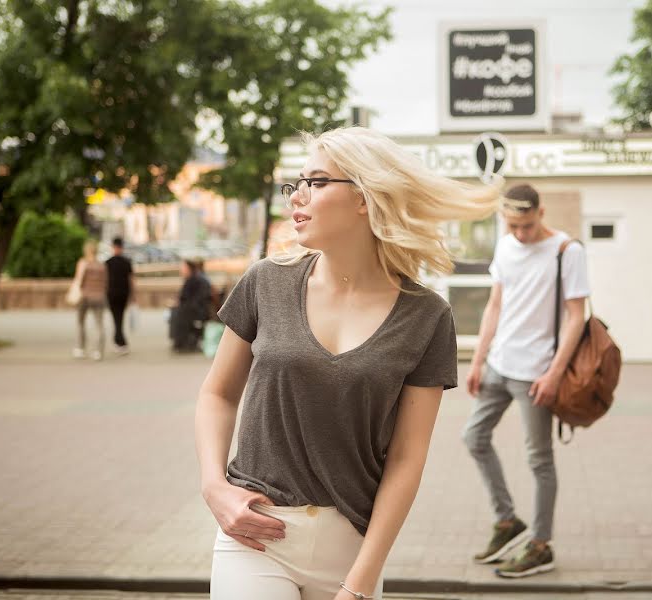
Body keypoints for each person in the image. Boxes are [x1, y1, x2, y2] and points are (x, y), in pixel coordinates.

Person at [195, 126, 499, 600]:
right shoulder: (265, 282)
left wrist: (360, 583)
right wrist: (214, 486)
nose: (297, 196)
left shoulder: (427, 315)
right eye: (295, 183)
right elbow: (217, 393)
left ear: (365, 197)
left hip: (353, 550)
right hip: (255, 534)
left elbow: (406, 458)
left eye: (316, 182)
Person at [463, 183, 590, 578]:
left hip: (537, 374)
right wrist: (477, 359)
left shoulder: (567, 251)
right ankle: (507, 522)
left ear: (542, 213)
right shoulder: (506, 246)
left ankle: (541, 544)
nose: (521, 233)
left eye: (528, 225)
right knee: (474, 437)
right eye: (514, 225)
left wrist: (553, 373)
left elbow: (576, 317)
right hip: (499, 364)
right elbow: (496, 304)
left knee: (539, 460)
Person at [72, 239, 108, 361]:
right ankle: (98, 351)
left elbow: (79, 280)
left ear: (86, 251)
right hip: (99, 297)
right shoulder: (102, 265)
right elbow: (106, 283)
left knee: (80, 322)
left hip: (85, 296)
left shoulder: (83, 263)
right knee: (99, 325)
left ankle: (80, 349)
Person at [170, 259, 212, 352]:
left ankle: (180, 342)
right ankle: (181, 342)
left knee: (177, 314)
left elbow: (185, 297)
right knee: (176, 312)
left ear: (189, 269)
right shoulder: (197, 278)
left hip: (195, 311)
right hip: (197, 309)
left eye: (183, 268)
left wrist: (178, 303)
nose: (181, 270)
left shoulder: (193, 280)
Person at [105, 237, 135, 355]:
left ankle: (120, 341)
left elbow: (105, 280)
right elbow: (131, 279)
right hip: (123, 293)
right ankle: (120, 341)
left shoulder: (108, 262)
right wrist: (133, 295)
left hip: (112, 294)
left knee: (116, 318)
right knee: (119, 318)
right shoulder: (127, 262)